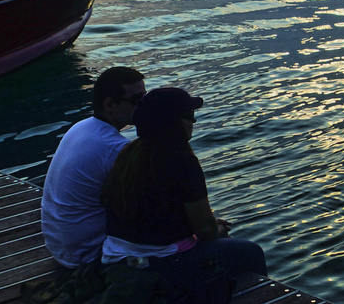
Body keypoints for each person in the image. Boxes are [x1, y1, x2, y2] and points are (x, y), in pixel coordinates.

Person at [100, 87, 267, 282]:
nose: (193, 122)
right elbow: (205, 231)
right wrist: (217, 229)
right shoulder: (182, 162)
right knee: (250, 252)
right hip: (157, 265)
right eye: (188, 115)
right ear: (171, 122)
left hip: (115, 260)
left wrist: (208, 226)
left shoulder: (127, 155)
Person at [41, 66, 147, 268]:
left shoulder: (81, 127)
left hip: (60, 247)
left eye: (146, 98)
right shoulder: (115, 148)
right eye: (136, 100)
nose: (145, 105)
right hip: (87, 255)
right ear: (109, 105)